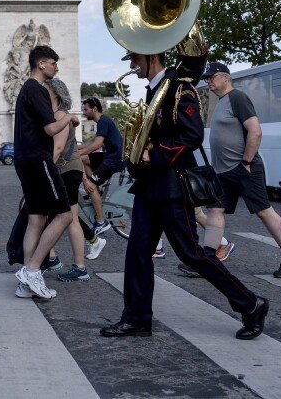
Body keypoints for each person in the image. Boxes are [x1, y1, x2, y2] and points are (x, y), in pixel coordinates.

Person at [100, 48, 267, 340]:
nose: (133, 66)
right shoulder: (156, 90)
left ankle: (251, 303)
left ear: (152, 58)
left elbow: (192, 135)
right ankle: (137, 318)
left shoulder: (179, 89)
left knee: (192, 255)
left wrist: (155, 155)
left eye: (136, 60)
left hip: (172, 187)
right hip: (151, 187)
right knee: (137, 253)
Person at [201, 61, 281, 278]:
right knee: (214, 210)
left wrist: (246, 162)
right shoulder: (221, 102)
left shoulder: (237, 98)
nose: (208, 81)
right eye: (207, 78)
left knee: (263, 211)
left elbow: (255, 131)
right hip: (222, 171)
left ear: (225, 77)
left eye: (211, 77)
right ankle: (208, 261)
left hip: (243, 168)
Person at [12, 45, 80, 300]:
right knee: (63, 216)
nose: (56, 67)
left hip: (24, 161)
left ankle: (25, 282)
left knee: (36, 219)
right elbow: (51, 129)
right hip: (39, 160)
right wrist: (70, 118)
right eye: (53, 62)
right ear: (41, 64)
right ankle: (31, 270)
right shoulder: (37, 90)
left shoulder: (24, 90)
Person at [46, 78, 91, 282]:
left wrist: (44, 171)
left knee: (69, 219)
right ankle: (52, 257)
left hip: (65, 171)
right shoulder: (61, 116)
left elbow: (57, 148)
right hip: (69, 170)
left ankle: (78, 266)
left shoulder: (60, 116)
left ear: (55, 94)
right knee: (59, 216)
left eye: (45, 91)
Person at [78, 97, 123, 237]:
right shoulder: (103, 121)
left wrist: (75, 156)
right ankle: (95, 190)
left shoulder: (103, 121)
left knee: (89, 184)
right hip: (111, 156)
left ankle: (101, 221)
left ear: (94, 109)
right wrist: (75, 149)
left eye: (85, 109)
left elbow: (97, 145)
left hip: (114, 160)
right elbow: (92, 141)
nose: (83, 112)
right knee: (85, 159)